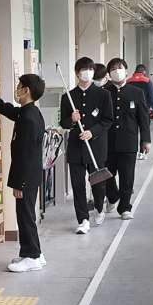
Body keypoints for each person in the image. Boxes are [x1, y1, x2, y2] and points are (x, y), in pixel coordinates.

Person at [0, 73, 46, 273]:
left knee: (25, 216)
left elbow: (25, 156)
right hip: (30, 176)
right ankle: (34, 253)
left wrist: (18, 183)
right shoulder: (29, 112)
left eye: (19, 86)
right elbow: (7, 109)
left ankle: (32, 256)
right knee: (27, 215)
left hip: (26, 177)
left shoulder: (28, 119)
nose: (17, 88)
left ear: (26, 90)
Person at [59, 57, 113, 234]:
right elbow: (63, 123)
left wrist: (92, 132)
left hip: (96, 147)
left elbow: (108, 120)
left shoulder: (103, 95)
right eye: (84, 69)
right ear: (77, 73)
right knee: (77, 185)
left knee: (98, 183)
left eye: (90, 69)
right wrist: (71, 119)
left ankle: (99, 207)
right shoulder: (68, 97)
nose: (87, 73)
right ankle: (83, 220)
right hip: (75, 148)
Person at [104, 58, 151, 219]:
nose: (117, 71)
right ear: (109, 73)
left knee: (127, 177)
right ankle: (112, 197)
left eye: (120, 68)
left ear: (126, 71)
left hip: (128, 142)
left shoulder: (136, 93)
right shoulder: (104, 92)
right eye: (113, 68)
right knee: (107, 175)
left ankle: (125, 207)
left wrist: (145, 140)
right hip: (107, 142)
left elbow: (143, 118)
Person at [127, 63, 153, 160]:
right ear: (144, 71)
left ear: (135, 71)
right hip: (144, 111)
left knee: (132, 131)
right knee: (144, 129)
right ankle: (141, 152)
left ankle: (132, 151)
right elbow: (152, 97)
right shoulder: (147, 81)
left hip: (130, 111)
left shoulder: (128, 81)